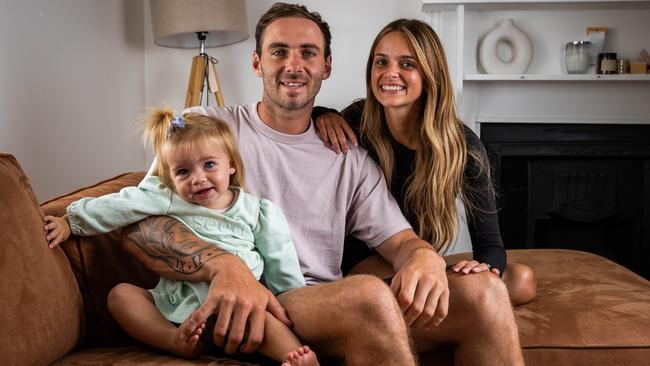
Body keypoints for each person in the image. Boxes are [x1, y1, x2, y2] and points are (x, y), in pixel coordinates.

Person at [120, 3, 525, 365]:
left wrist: (422, 255)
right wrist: (224, 267)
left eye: (308, 53)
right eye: (279, 52)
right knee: (367, 295)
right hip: (262, 306)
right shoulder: (205, 128)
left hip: (320, 302)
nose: (294, 65)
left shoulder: (349, 154)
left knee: (485, 293)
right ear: (257, 62)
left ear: (326, 66)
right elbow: (138, 223)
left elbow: (398, 241)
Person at [43, 107, 319, 366]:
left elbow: (281, 262)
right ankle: (173, 341)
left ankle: (296, 357)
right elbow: (118, 205)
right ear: (171, 178)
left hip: (237, 307)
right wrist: (71, 221)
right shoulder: (167, 199)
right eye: (183, 172)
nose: (198, 178)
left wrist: (291, 305)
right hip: (178, 309)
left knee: (268, 322)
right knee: (121, 295)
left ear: (231, 164)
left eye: (209, 165)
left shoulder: (258, 211)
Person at [314, 19, 537, 306]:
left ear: (431, 74)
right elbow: (303, 133)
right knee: (408, 290)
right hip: (363, 260)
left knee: (522, 281)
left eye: (407, 64)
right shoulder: (356, 120)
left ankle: (446, 304)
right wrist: (323, 112)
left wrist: (484, 269)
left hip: (421, 258)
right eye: (381, 62)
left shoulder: (463, 146)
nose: (390, 73)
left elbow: (491, 245)